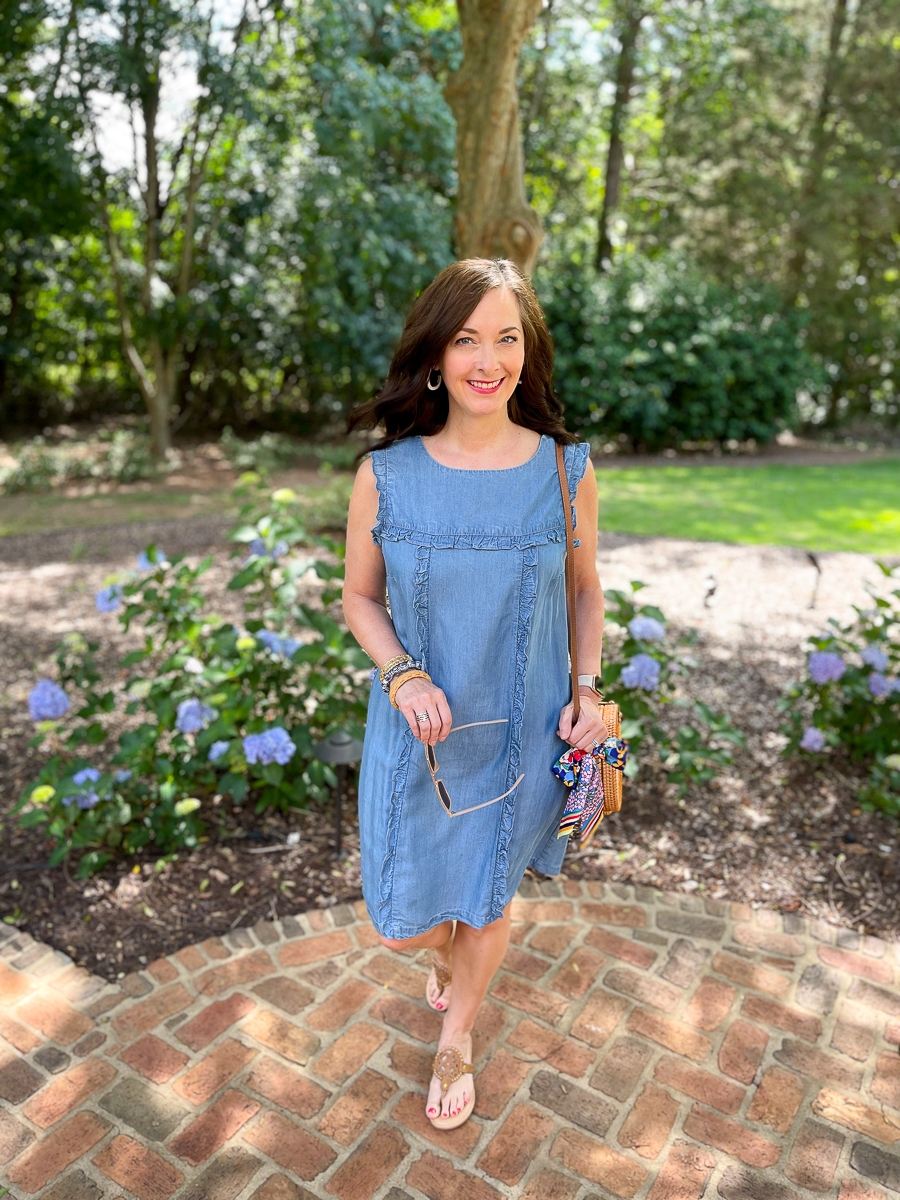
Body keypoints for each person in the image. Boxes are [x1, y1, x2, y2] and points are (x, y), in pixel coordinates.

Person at [342, 257, 607, 1131]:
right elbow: (358, 597)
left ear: (528, 354)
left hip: (521, 731)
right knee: (401, 920)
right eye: (466, 339)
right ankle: (445, 959)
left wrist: (588, 690)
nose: (487, 359)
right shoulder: (387, 476)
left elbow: (583, 588)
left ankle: (457, 1032)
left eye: (507, 338)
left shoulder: (566, 471)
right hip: (417, 732)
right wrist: (403, 671)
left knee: (488, 893)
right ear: (436, 354)